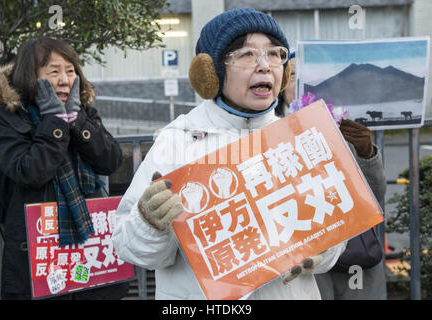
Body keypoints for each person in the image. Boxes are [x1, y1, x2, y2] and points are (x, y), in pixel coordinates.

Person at [112, 8, 347, 300]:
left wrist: (321, 249)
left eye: (274, 54)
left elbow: (332, 235)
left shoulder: (298, 139)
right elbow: (131, 248)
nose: (265, 66)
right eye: (247, 55)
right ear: (211, 73)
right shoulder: (178, 141)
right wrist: (148, 222)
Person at [0, 37, 129, 300]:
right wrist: (55, 122)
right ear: (30, 77)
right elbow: (30, 172)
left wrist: (76, 122)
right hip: (38, 255)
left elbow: (110, 161)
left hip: (90, 251)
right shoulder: (4, 119)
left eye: (70, 70)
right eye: (54, 71)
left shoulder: (82, 111)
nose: (65, 79)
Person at [277, 51, 387, 300]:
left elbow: (376, 200)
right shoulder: (269, 133)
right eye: (293, 74)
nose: (302, 80)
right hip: (303, 260)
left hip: (357, 254)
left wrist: (365, 153)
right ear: (281, 85)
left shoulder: (345, 126)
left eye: (313, 75)